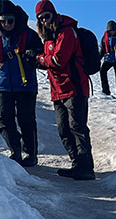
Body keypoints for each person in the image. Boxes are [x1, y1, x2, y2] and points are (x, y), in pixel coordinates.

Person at [0, 0, 43, 167]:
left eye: (10, 20)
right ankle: (16, 150)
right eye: (3, 20)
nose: (6, 24)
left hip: (25, 85)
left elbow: (41, 53)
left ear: (16, 19)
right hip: (3, 84)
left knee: (26, 119)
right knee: (4, 119)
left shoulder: (29, 34)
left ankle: (31, 154)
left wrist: (33, 53)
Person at [35, 0, 95, 180]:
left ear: (53, 14)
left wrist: (39, 59)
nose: (44, 20)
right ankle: (77, 164)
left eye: (46, 16)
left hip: (74, 87)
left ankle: (86, 168)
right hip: (57, 89)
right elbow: (51, 60)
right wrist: (44, 59)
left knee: (77, 127)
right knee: (63, 129)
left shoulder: (67, 32)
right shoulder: (48, 37)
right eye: (40, 18)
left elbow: (58, 60)